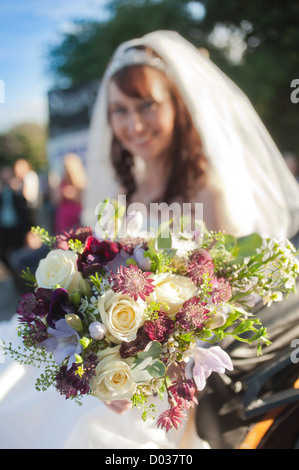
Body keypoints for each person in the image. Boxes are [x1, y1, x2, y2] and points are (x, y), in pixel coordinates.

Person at [1, 30, 299, 450]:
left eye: (147, 105)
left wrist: (146, 368)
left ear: (177, 105)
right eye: (120, 110)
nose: (133, 124)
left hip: (173, 376)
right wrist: (97, 357)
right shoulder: (123, 190)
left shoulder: (209, 190)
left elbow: (233, 299)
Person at [53, 153, 87, 234]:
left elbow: (84, 200)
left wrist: (71, 195)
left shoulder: (80, 183)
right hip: (64, 221)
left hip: (77, 220)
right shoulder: (62, 183)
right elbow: (55, 200)